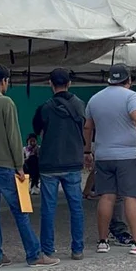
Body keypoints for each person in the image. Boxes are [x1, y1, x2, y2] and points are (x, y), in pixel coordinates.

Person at [0, 64, 54, 268]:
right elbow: (13, 135)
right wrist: (20, 165)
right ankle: (34, 254)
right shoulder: (6, 103)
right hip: (5, 163)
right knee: (20, 208)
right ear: (3, 81)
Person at [85, 63, 136, 255]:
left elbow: (88, 126)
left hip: (104, 155)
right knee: (130, 196)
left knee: (106, 196)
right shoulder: (130, 96)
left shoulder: (95, 99)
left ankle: (103, 241)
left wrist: (87, 150)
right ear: (128, 80)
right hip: (128, 155)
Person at [33, 68, 88, 260]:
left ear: (50, 83)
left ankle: (47, 249)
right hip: (72, 161)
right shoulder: (80, 105)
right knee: (76, 207)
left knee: (48, 208)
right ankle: (78, 248)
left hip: (49, 163)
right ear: (70, 83)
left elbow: (38, 131)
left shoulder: (45, 108)